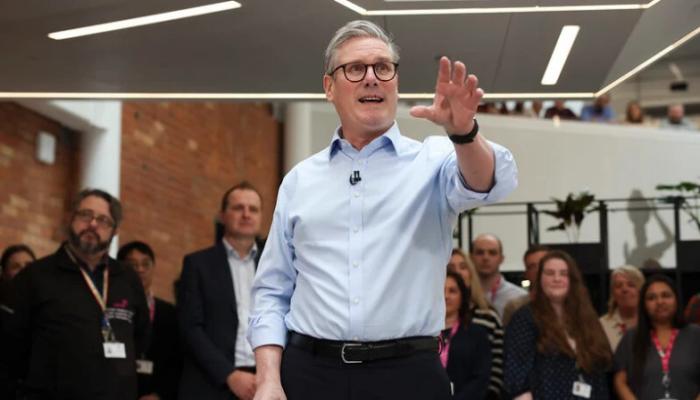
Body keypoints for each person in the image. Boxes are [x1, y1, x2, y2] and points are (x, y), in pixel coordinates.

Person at [248, 20, 517, 400]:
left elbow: (489, 182)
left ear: (395, 82)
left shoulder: (433, 160)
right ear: (329, 87)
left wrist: (464, 133)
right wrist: (267, 378)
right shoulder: (299, 181)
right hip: (310, 374)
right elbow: (272, 291)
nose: (372, 78)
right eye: (356, 69)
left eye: (383, 67)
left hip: (408, 377)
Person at [5, 188, 149, 400]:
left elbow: (141, 337)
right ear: (69, 218)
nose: (93, 224)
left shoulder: (128, 278)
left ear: (115, 230)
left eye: (103, 220)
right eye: (85, 215)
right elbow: (12, 349)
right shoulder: (35, 276)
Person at [178, 182, 264, 400]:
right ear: (222, 216)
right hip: (212, 384)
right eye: (238, 208)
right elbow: (190, 328)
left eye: (253, 209)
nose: (246, 215)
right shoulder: (197, 264)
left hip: (265, 384)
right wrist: (229, 375)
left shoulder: (274, 267)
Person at [504, 250, 612, 400]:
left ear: (572, 279)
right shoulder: (525, 317)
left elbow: (600, 369)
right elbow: (516, 375)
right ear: (540, 279)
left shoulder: (587, 318)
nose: (556, 278)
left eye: (563, 274)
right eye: (549, 273)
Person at [613, 275, 700, 400]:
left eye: (666, 295)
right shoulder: (631, 338)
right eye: (651, 298)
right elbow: (620, 381)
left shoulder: (696, 334)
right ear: (644, 305)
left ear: (676, 299)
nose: (659, 302)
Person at [118, 241, 182, 400]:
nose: (140, 269)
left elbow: (177, 361)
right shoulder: (112, 308)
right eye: (133, 265)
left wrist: (159, 395)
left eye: (145, 264)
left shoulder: (170, 313)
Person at [448, 248, 504, 399]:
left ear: (471, 273)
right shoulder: (432, 321)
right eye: (451, 267)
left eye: (463, 267)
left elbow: (497, 368)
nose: (457, 272)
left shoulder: (488, 316)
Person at [441, 271, 491, 400]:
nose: (446, 296)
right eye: (441, 290)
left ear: (462, 297)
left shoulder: (477, 334)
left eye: (452, 291)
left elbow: (481, 378)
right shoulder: (423, 335)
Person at [471, 234, 527, 317]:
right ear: (471, 257)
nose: (485, 257)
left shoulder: (519, 297)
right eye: (480, 253)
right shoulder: (460, 295)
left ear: (501, 259)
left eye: (492, 253)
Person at [599, 265, 644, 352]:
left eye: (631, 285)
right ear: (613, 294)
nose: (624, 289)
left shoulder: (653, 323)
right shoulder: (601, 326)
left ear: (642, 290)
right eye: (618, 286)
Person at [502, 245, 549, 326]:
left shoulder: (570, 304)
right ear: (526, 274)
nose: (538, 270)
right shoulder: (515, 307)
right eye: (532, 266)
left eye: (543, 264)